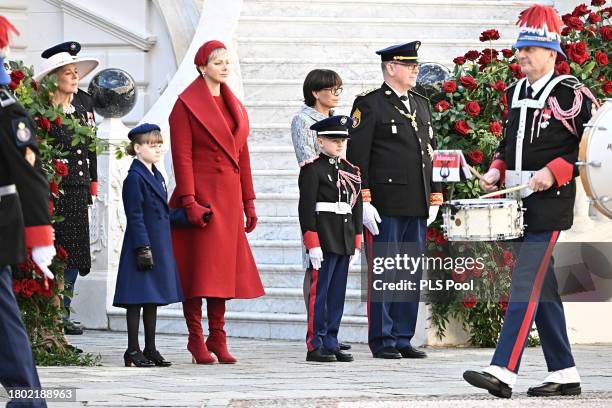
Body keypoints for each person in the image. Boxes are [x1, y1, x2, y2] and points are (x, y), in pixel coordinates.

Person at [463, 4, 600, 399]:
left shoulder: (571, 93)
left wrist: (554, 170)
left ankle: (503, 370)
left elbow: (592, 149)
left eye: (530, 49)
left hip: (550, 202)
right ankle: (565, 372)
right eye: (519, 49)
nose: (521, 55)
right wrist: (495, 169)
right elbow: (510, 144)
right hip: (516, 205)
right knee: (543, 288)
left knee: (525, 281)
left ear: (552, 53)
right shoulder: (517, 91)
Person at [169, 40, 264, 365]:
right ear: (201, 67)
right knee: (199, 270)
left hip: (229, 198)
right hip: (202, 197)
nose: (225, 67)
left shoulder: (233, 104)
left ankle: (217, 336)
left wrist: (248, 201)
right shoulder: (185, 105)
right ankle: (196, 338)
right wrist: (189, 200)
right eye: (218, 62)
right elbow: (181, 157)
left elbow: (243, 155)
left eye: (227, 61)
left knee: (222, 272)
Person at [347, 41, 442, 359]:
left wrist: (435, 196)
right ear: (390, 67)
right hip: (385, 204)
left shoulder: (421, 103)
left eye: (416, 64)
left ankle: (402, 336)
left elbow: (431, 153)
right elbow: (357, 156)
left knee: (409, 272)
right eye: (408, 64)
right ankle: (383, 338)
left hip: (416, 203)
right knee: (386, 272)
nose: (416, 69)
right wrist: (365, 200)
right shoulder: (370, 105)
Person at [0, 16, 52, 407]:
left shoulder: (5, 109)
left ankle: (27, 401)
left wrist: (40, 238)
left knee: (3, 321)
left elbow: (30, 174)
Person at [34, 41, 99, 335]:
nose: (75, 77)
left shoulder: (83, 106)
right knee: (55, 252)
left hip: (77, 188)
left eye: (76, 72)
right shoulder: (43, 111)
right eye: (69, 73)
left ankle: (64, 310)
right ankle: (51, 313)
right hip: (53, 190)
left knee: (75, 254)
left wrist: (92, 183)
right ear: (55, 77)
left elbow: (91, 148)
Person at [113, 123, 184, 368]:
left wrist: (188, 215)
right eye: (152, 145)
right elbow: (134, 215)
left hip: (158, 244)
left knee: (151, 298)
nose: (158, 149)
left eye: (160, 144)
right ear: (137, 148)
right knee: (135, 299)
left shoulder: (157, 175)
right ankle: (132, 350)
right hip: (141, 246)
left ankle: (150, 348)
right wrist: (143, 247)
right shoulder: (134, 178)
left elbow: (162, 212)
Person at [290, 69, 351, 352]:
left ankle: (329, 333)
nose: (336, 94)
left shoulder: (335, 121)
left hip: (340, 201)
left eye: (339, 89)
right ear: (316, 92)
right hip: (318, 197)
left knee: (334, 273)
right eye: (331, 89)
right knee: (315, 269)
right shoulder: (304, 120)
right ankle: (315, 332)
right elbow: (308, 158)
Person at [298, 115, 363, 363]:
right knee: (320, 293)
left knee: (337, 293)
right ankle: (315, 344)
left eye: (342, 140)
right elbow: (306, 210)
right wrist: (312, 244)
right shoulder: (312, 170)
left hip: (344, 237)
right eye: (334, 140)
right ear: (320, 141)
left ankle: (331, 340)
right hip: (323, 238)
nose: (339, 144)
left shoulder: (351, 170)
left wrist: (356, 241)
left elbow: (356, 206)